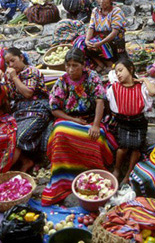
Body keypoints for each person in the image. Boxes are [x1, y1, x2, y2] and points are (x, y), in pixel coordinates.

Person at [41, 48, 116, 205]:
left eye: (75, 65)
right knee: (60, 132)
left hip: (91, 120)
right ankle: (64, 178)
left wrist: (95, 125)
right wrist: (73, 120)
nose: (70, 69)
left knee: (96, 137)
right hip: (70, 120)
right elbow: (55, 109)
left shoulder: (92, 78)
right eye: (68, 65)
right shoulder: (63, 81)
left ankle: (93, 176)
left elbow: (100, 102)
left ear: (83, 65)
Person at [0, 47, 51, 173]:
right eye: (8, 63)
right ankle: (24, 161)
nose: (11, 65)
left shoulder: (32, 71)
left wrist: (14, 78)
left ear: (21, 57)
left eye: (13, 61)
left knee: (18, 137)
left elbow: (28, 93)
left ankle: (1, 173)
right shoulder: (11, 76)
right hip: (19, 112)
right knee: (1, 134)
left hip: (38, 109)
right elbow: (10, 97)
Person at [107, 58, 155, 185]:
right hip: (122, 122)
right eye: (116, 72)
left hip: (138, 122)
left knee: (136, 148)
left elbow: (153, 92)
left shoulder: (141, 87)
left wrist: (144, 79)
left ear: (131, 69)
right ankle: (117, 170)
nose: (118, 74)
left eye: (120, 70)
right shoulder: (115, 87)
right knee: (122, 147)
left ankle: (128, 173)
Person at [74, 0, 127, 71]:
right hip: (99, 39)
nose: (102, 1)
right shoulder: (95, 11)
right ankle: (100, 63)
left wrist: (100, 43)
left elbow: (114, 32)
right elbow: (91, 27)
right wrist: (87, 40)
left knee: (97, 43)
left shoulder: (116, 11)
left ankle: (109, 62)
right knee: (80, 42)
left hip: (114, 41)